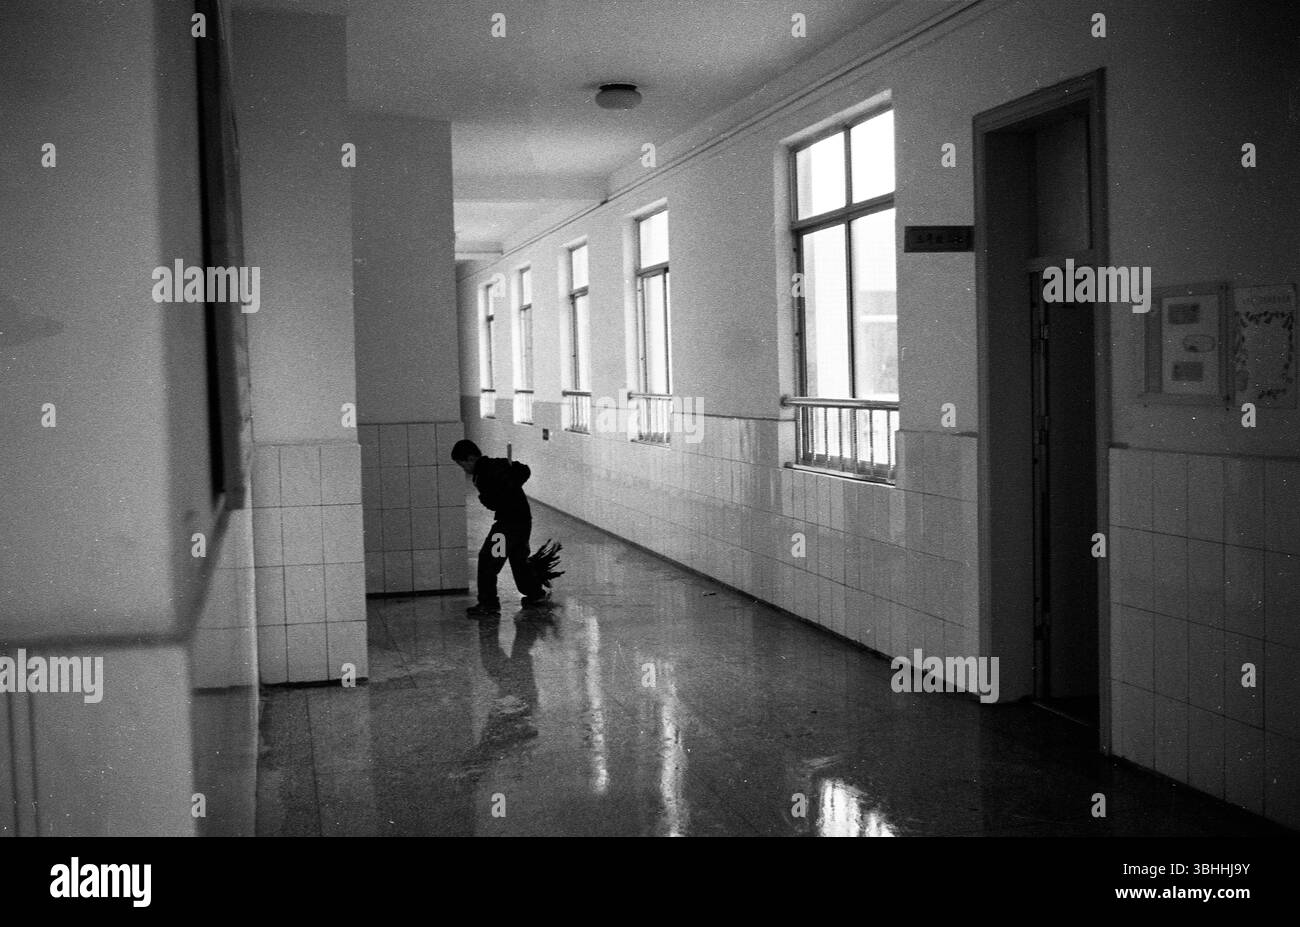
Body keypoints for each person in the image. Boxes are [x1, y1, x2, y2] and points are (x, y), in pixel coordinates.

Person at [451, 439, 548, 616]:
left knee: (488, 559)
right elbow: (522, 472)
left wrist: (489, 498)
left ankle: (488, 603)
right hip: (522, 521)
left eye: (462, 464)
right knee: (519, 560)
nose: (463, 469)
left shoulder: (486, 472)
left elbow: (498, 498)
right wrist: (512, 480)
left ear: (471, 458)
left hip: (507, 527)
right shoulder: (496, 465)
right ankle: (535, 594)